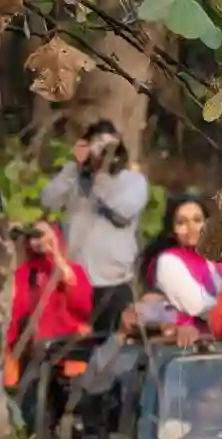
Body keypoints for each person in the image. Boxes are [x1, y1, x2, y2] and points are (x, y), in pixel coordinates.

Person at [39, 119, 149, 334]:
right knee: (76, 353)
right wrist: (75, 168)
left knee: (115, 352)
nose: (104, 152)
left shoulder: (132, 181)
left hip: (114, 283)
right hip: (76, 283)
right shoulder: (74, 176)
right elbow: (48, 200)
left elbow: (121, 213)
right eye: (98, 145)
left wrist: (101, 177)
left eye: (110, 146)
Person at [4, 222, 94, 388]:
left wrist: (55, 254)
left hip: (66, 345)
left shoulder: (71, 269)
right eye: (33, 237)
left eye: (41, 236)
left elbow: (82, 306)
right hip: (34, 349)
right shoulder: (24, 272)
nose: (37, 242)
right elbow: (16, 310)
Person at [134, 194, 222, 337]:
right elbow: (197, 307)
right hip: (182, 347)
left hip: (212, 341)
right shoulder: (167, 261)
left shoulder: (209, 259)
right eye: (182, 222)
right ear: (172, 229)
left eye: (197, 220)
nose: (191, 227)